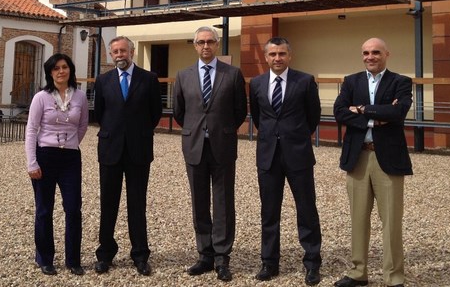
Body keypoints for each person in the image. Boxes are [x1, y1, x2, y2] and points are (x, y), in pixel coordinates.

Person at [333, 37, 413, 287]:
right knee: (358, 218)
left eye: (376, 52)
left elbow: (398, 113)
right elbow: (339, 112)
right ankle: (358, 272)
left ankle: (393, 276)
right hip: (358, 157)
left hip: (387, 157)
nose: (370, 57)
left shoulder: (400, 81)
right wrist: (375, 117)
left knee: (390, 220)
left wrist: (361, 109)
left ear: (386, 54)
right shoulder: (351, 81)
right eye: (366, 52)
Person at [173, 25, 247, 282]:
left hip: (223, 145)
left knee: (224, 202)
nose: (206, 46)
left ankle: (222, 257)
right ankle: (204, 255)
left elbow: (239, 111)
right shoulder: (183, 75)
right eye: (201, 42)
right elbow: (179, 112)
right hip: (194, 146)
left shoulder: (233, 74)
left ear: (217, 45)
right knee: (199, 201)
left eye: (210, 42)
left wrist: (221, 130)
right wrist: (197, 130)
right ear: (195, 46)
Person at [249, 37, 322, 285]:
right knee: (269, 212)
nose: (277, 58)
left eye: (281, 54)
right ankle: (269, 262)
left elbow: (313, 116)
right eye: (272, 54)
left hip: (298, 154)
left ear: (289, 56)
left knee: (306, 210)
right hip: (268, 156)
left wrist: (295, 136)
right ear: (266, 57)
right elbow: (259, 118)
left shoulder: (305, 81)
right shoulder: (257, 83)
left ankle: (312, 262)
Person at [93, 36, 162, 276]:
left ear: (132, 51)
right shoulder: (103, 81)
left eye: (123, 50)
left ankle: (140, 254)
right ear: (111, 55)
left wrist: (136, 133)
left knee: (137, 205)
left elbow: (155, 113)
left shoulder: (149, 79)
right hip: (110, 150)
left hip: (138, 150)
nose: (119, 55)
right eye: (115, 52)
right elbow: (100, 113)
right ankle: (105, 254)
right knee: (108, 204)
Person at [25, 53, 89, 276]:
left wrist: (69, 144)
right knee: (44, 210)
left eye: (65, 67)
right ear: (50, 72)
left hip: (70, 158)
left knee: (73, 209)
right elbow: (32, 130)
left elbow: (82, 126)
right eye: (56, 68)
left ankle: (73, 260)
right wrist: (31, 162)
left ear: (70, 70)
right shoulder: (41, 97)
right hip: (45, 156)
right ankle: (44, 258)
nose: (61, 71)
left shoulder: (80, 97)